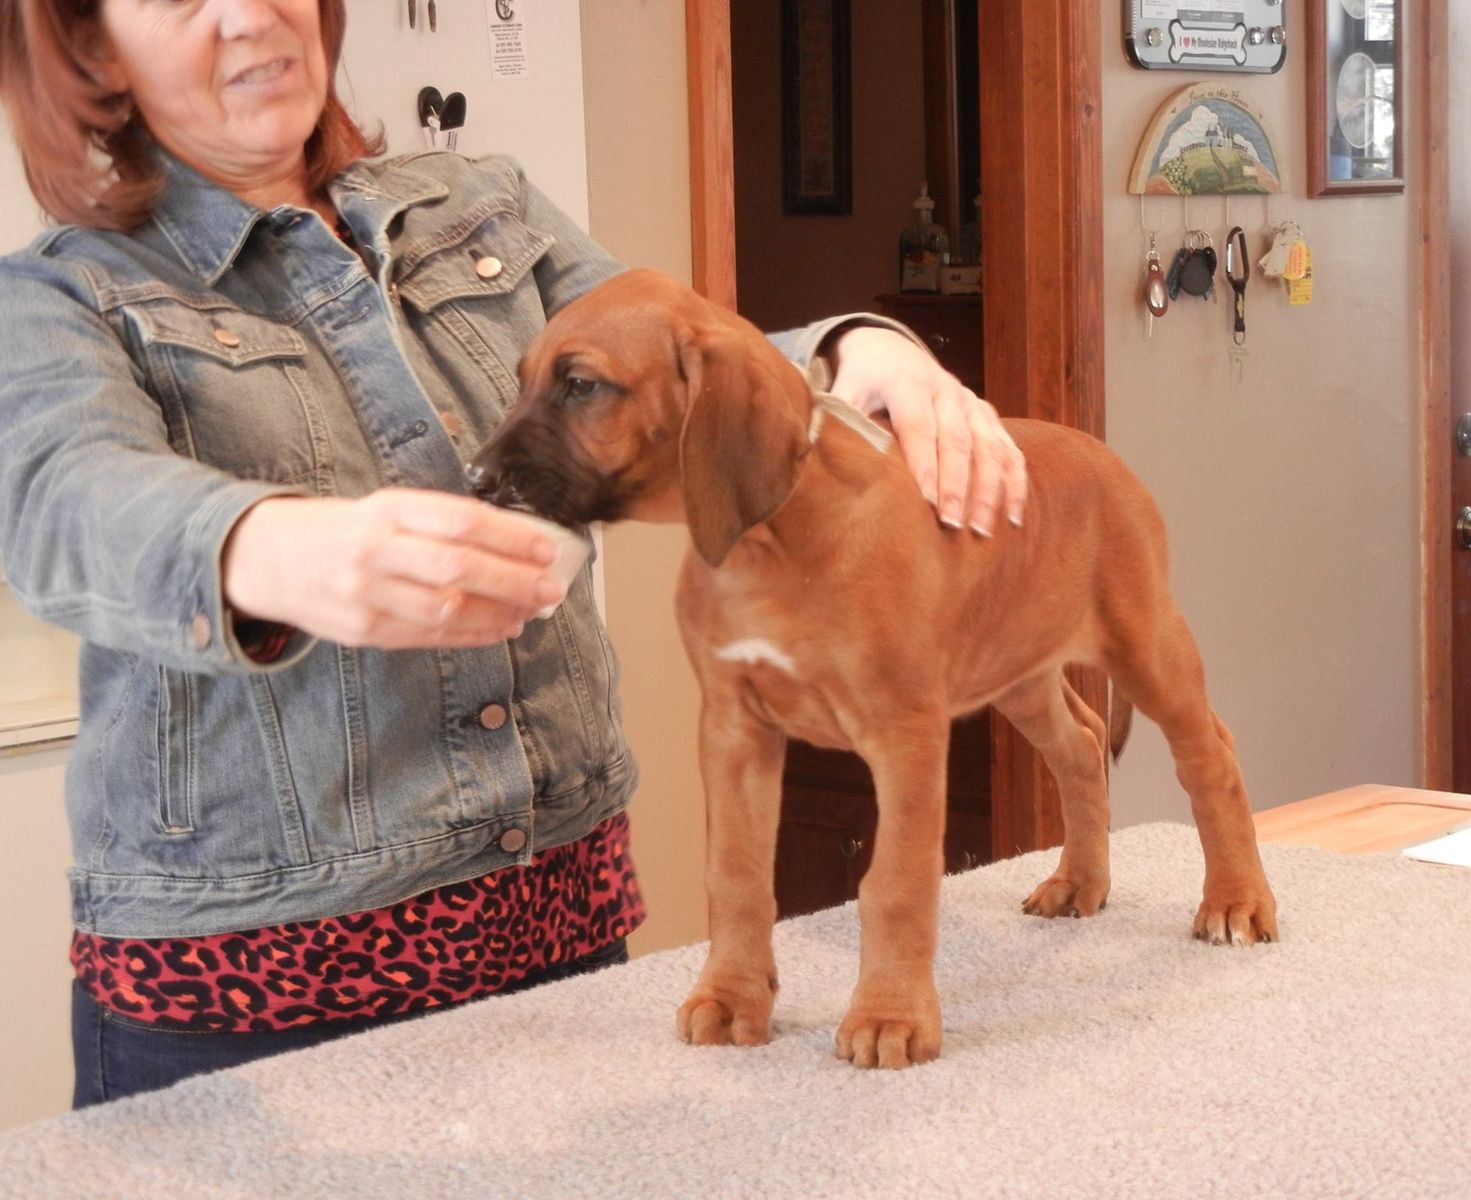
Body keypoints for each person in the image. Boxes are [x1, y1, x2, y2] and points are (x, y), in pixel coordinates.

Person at [0, 0, 1027, 1107]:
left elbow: (684, 360)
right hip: (250, 999)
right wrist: (271, 547)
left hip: (558, 930)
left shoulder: (478, 202)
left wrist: (854, 343)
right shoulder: (58, 294)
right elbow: (57, 500)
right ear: (91, 45)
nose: (251, 13)